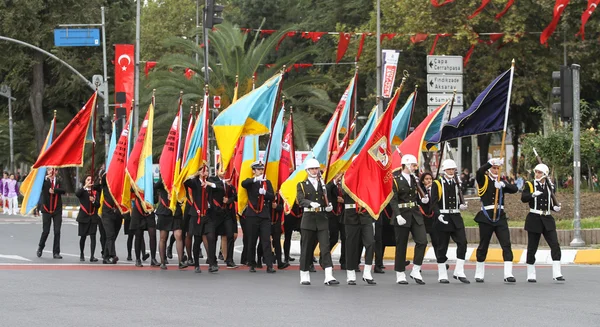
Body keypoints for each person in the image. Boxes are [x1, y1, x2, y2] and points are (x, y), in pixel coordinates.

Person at [473, 157, 519, 283]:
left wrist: (504, 185)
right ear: (490, 169)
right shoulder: (484, 180)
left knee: (506, 244)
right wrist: (488, 163)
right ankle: (479, 272)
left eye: (498, 168)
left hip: (500, 217)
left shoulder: (502, 181)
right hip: (487, 216)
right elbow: (479, 173)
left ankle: (508, 273)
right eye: (494, 168)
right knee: (484, 245)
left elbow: (515, 189)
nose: (496, 170)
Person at [296, 159, 338, 285]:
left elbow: (326, 200)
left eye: (316, 168)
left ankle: (329, 276)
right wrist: (310, 204)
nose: (315, 171)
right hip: (308, 220)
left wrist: (328, 207)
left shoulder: (323, 184)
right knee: (307, 248)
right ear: (307, 170)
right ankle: (304, 275)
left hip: (322, 220)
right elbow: (300, 200)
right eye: (312, 168)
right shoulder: (302, 185)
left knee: (325, 248)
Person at [389, 154, 429, 285]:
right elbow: (393, 199)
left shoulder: (414, 179)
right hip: (402, 214)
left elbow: (415, 195)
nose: (414, 168)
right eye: (413, 165)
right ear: (406, 165)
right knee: (401, 245)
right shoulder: (396, 179)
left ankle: (416, 269)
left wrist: (423, 199)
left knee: (422, 241)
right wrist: (398, 215)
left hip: (415, 214)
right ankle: (400, 273)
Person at [521, 163, 565, 282]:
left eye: (539, 172)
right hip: (534, 218)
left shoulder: (550, 186)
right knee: (532, 247)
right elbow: (523, 198)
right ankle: (531, 273)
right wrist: (532, 195)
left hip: (547, 219)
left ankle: (557, 273)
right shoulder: (530, 184)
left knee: (555, 245)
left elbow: (548, 202)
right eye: (536, 172)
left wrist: (554, 208)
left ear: (545, 174)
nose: (537, 174)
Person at [431, 159, 470, 284]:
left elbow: (456, 199)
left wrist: (460, 206)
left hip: (456, 217)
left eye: (453, 169)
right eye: (449, 169)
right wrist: (438, 215)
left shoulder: (457, 182)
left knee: (463, 242)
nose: (451, 171)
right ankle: (442, 273)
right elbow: (434, 202)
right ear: (444, 170)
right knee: (442, 246)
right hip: (443, 217)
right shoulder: (437, 183)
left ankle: (459, 271)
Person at [184, 163, 220, 273]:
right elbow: (185, 181)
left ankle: (212, 263)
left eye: (207, 171)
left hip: (208, 215)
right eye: (204, 170)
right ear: (199, 172)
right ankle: (196, 264)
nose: (206, 172)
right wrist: (195, 174)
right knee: (197, 240)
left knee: (211, 238)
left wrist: (208, 183)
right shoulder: (194, 182)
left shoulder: (210, 182)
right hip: (197, 215)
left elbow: (219, 187)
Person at [241, 161, 276, 274]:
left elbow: (272, 196)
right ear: (253, 171)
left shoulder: (267, 182)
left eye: (262, 169)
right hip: (252, 215)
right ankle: (251, 263)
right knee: (252, 240)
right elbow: (243, 184)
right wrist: (256, 180)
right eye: (258, 169)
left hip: (264, 215)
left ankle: (269, 265)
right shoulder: (251, 182)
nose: (261, 171)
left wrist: (265, 192)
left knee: (266, 240)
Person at [155, 177, 187, 270]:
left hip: (175, 210)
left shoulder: (178, 177)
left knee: (179, 235)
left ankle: (181, 261)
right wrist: (164, 179)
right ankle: (162, 261)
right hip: (164, 210)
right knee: (163, 237)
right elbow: (155, 186)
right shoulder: (163, 179)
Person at [37, 168, 66, 259]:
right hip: (46, 209)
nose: (51, 172)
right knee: (46, 231)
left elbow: (64, 190)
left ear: (56, 172)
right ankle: (40, 247)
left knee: (57, 231)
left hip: (57, 210)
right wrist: (45, 178)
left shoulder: (59, 181)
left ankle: (56, 252)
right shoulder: (44, 181)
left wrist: (55, 190)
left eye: (53, 170)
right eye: (49, 170)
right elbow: (38, 188)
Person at [75, 175, 101, 262]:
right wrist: (85, 187)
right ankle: (82, 253)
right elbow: (77, 193)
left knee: (93, 237)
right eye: (88, 180)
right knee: (83, 237)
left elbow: (98, 205)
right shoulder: (83, 191)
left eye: (91, 180)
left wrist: (93, 200)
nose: (90, 181)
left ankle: (92, 256)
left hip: (93, 217)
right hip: (83, 217)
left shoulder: (95, 192)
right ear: (85, 181)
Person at [129, 189, 158, 268]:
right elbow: (130, 190)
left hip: (149, 210)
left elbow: (156, 200)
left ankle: (153, 259)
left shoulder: (151, 184)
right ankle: (138, 259)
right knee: (138, 236)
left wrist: (150, 195)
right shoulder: (136, 183)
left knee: (153, 235)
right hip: (138, 211)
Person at [326, 173, 346, 270]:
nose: (339, 175)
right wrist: (335, 181)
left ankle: (344, 261)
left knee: (345, 238)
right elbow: (327, 190)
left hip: (342, 215)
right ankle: (324, 255)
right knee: (333, 238)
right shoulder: (329, 184)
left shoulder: (345, 184)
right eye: (337, 173)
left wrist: (344, 201)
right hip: (332, 215)